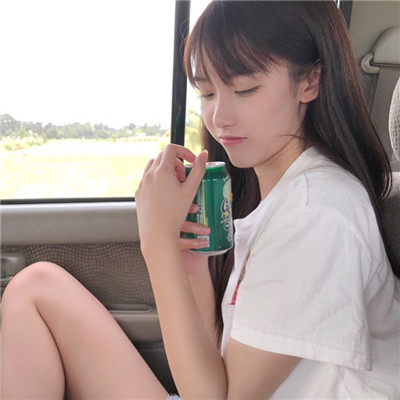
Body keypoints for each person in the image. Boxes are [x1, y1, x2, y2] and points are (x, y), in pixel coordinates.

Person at [2, 1, 399, 398]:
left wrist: (156, 243)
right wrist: (190, 267)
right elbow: (217, 364)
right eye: (207, 92)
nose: (219, 116)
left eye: (245, 89)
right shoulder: (286, 199)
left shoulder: (317, 214)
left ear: (310, 82)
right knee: (37, 287)